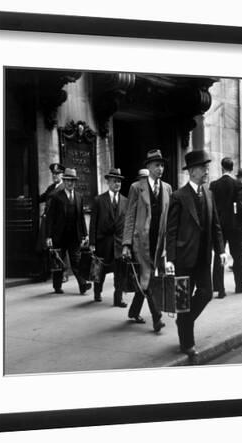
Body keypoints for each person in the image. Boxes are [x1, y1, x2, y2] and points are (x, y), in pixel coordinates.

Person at [166, 150, 226, 360]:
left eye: (207, 167)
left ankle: (184, 322)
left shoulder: (208, 194)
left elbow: (216, 225)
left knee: (206, 293)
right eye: (203, 167)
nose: (207, 170)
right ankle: (187, 344)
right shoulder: (178, 196)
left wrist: (221, 251)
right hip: (183, 258)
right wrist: (170, 259)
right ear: (192, 171)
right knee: (183, 301)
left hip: (203, 258)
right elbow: (171, 230)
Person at [122, 149, 172, 332]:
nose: (161, 168)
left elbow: (169, 217)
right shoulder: (137, 187)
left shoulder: (167, 188)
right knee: (149, 278)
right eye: (157, 165)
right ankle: (157, 317)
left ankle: (134, 311)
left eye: (162, 165)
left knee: (148, 277)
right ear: (148, 167)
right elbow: (129, 217)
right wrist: (126, 244)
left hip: (160, 242)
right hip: (141, 242)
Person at [45, 168, 92, 295]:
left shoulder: (78, 197)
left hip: (74, 235)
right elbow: (50, 218)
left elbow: (81, 217)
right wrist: (49, 236)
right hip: (59, 235)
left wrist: (85, 234)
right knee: (59, 261)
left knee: (76, 261)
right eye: (67, 181)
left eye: (72, 181)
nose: (70, 183)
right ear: (64, 181)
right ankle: (57, 286)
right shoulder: (56, 197)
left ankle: (83, 285)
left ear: (75, 182)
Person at [89, 168, 128, 307]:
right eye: (114, 181)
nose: (117, 184)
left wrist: (127, 243)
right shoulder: (99, 200)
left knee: (120, 272)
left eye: (119, 181)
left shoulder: (125, 201)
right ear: (108, 182)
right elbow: (93, 223)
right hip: (103, 241)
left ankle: (118, 298)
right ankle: (97, 291)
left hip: (118, 242)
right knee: (100, 269)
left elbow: (127, 224)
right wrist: (92, 242)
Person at [209, 157, 242, 297]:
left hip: (219, 225)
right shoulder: (237, 185)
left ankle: (219, 287)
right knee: (237, 255)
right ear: (232, 168)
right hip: (234, 225)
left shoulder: (214, 185)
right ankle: (240, 285)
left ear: (221, 167)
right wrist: (239, 222)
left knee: (219, 255)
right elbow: (241, 207)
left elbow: (212, 207)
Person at [36, 163, 66, 281]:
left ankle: (62, 273)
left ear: (62, 175)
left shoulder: (64, 188)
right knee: (45, 246)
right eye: (53, 174)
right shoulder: (51, 188)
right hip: (47, 220)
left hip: (56, 223)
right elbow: (42, 198)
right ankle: (47, 272)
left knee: (58, 247)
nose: (55, 176)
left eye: (57, 174)